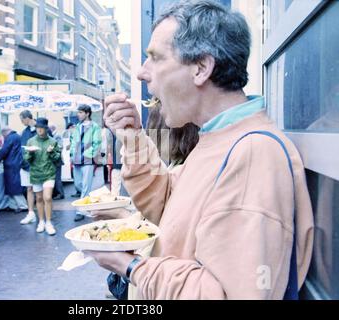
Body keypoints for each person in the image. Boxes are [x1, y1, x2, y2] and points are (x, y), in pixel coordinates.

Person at [89, 0, 314, 300]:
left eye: (155, 58)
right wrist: (131, 137)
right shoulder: (219, 137)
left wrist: (132, 266)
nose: (142, 73)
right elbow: (168, 203)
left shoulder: (254, 154)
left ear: (201, 68)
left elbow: (230, 295)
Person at [24, 118, 61, 236]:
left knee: (48, 197)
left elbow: (57, 158)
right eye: (37, 128)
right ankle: (41, 221)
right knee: (39, 199)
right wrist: (30, 153)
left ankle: (49, 222)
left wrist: (52, 152)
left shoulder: (52, 141)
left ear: (46, 129)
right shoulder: (30, 141)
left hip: (49, 173)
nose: (39, 130)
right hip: (36, 173)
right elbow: (26, 159)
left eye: (41, 128)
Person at [70, 105, 102, 221]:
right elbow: (73, 142)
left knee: (85, 186)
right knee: (78, 184)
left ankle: (80, 211)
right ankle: (88, 205)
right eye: (78, 112)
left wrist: (89, 154)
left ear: (87, 113)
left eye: (80, 112)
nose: (78, 114)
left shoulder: (95, 127)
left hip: (88, 160)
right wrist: (72, 155)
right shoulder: (77, 127)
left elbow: (97, 143)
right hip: (77, 160)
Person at [0, 126, 28, 213]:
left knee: (13, 186)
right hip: (15, 163)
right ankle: (13, 205)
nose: (4, 137)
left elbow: (4, 150)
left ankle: (22, 205)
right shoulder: (16, 136)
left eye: (3, 135)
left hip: (11, 164)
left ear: (4, 133)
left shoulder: (10, 137)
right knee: (12, 185)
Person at [19, 110, 37, 225]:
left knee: (40, 191)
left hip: (37, 164)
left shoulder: (40, 129)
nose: (21, 122)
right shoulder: (24, 132)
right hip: (26, 165)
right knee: (29, 189)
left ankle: (43, 214)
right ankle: (31, 213)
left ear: (27, 118)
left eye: (21, 119)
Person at [50, 125, 65, 200]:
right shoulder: (53, 135)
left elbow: (60, 146)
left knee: (57, 178)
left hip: (57, 160)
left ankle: (60, 193)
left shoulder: (57, 136)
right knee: (55, 177)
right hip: (55, 160)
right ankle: (57, 193)